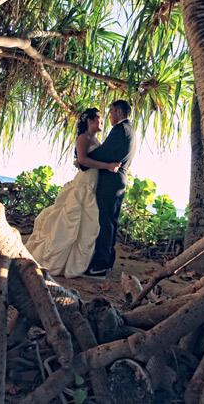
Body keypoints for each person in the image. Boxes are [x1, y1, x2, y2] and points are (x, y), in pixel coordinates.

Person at [25, 108, 120, 278]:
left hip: (92, 184)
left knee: (87, 225)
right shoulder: (84, 137)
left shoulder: (97, 140)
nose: (102, 122)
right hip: (83, 184)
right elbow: (83, 159)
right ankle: (56, 261)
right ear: (89, 121)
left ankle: (78, 263)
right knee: (70, 222)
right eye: (99, 119)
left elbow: (85, 160)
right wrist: (106, 166)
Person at [81, 100, 136, 279]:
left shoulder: (120, 130)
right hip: (117, 181)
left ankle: (99, 267)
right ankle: (107, 261)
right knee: (111, 221)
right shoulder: (130, 130)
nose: (109, 116)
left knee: (105, 222)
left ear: (119, 112)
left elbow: (105, 152)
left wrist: (83, 161)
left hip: (111, 182)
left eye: (111, 112)